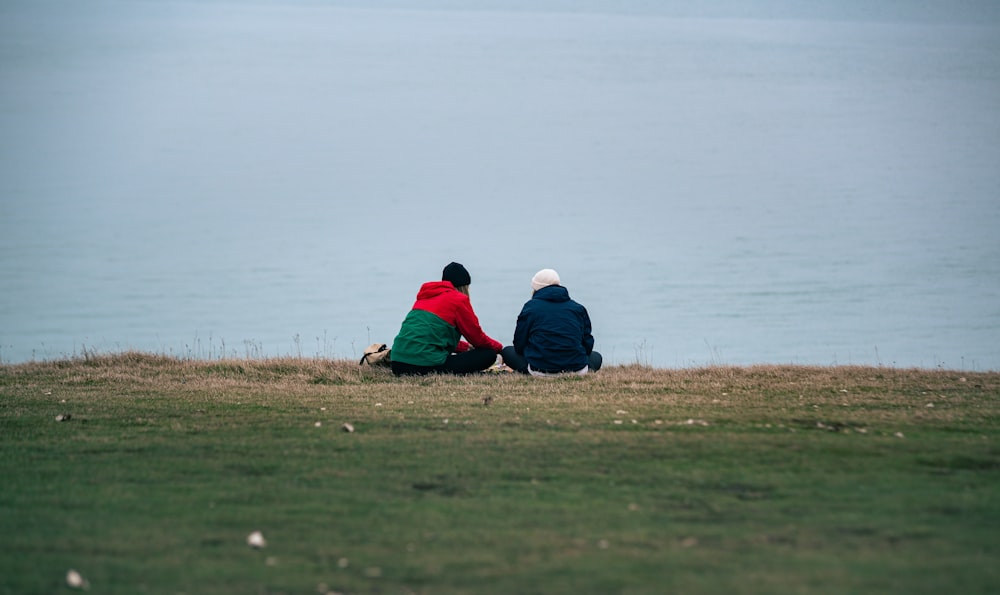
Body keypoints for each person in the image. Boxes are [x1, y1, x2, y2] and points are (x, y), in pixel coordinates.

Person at [390, 262, 504, 376]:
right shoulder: (459, 300)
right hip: (422, 366)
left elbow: (433, 336)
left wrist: (465, 347)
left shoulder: (423, 298)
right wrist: (499, 348)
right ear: (464, 287)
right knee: (488, 354)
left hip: (397, 364)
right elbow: (477, 338)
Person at [501, 268, 602, 376]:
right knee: (596, 357)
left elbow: (519, 345)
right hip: (576, 370)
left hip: (539, 370)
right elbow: (587, 344)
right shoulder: (578, 308)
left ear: (536, 288)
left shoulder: (530, 307)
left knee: (507, 351)